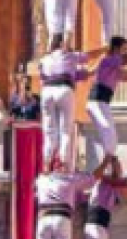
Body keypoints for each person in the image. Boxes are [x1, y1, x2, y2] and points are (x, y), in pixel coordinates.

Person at [85, 36, 127, 180]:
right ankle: (103, 168)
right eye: (124, 49)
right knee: (109, 132)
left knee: (112, 137)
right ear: (115, 49)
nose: (126, 52)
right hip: (96, 102)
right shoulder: (107, 60)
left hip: (102, 103)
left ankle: (111, 167)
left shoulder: (113, 68)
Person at [38, 37, 101, 172]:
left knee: (49, 130)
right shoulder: (69, 55)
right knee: (65, 129)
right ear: (61, 44)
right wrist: (105, 52)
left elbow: (43, 78)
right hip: (64, 89)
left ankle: (46, 163)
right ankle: (63, 164)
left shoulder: (44, 60)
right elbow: (89, 57)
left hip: (47, 91)